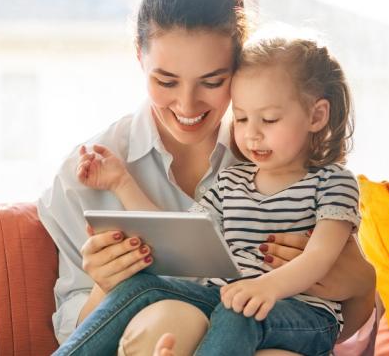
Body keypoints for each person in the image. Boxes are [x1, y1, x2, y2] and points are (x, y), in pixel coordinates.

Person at [37, 0, 376, 356]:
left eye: (213, 81)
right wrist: (105, 284)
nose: (187, 103)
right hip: (160, 329)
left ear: (239, 65)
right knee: (168, 317)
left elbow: (341, 325)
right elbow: (78, 328)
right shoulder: (85, 174)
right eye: (165, 80)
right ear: (139, 57)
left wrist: (362, 285)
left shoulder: (279, 155)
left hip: (276, 331)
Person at [60, 33, 360, 355]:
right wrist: (122, 182)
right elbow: (179, 235)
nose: (252, 134)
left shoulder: (334, 182)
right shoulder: (231, 181)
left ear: (316, 116)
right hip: (232, 300)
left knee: (239, 310)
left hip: (307, 317)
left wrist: (265, 287)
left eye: (269, 119)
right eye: (242, 118)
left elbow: (319, 257)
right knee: (141, 287)